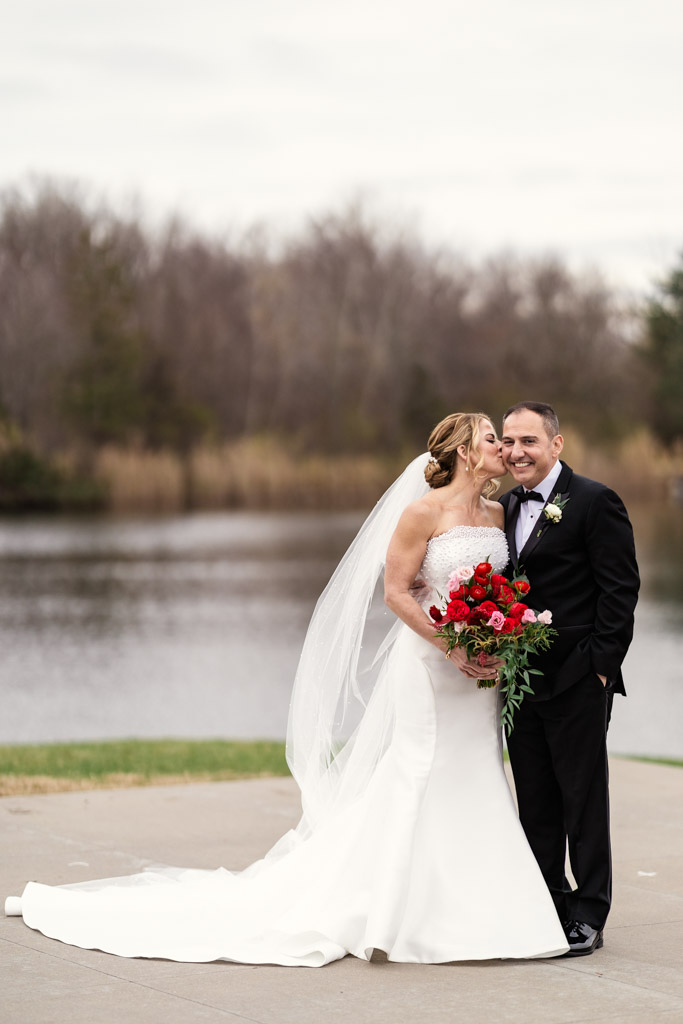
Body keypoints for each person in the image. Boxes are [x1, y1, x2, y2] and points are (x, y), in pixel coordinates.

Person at [6, 413, 568, 964]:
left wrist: (498, 636)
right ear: (466, 451)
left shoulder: (498, 512)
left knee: (478, 769)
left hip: (483, 671)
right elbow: (397, 593)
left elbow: (504, 588)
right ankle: (395, 911)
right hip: (430, 664)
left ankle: (482, 908)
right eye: (493, 438)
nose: (504, 447)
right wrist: (451, 644)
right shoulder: (420, 513)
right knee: (419, 768)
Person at [499, 401, 639, 957]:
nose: (516, 452)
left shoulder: (595, 501)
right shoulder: (503, 506)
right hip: (520, 682)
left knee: (582, 798)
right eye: (508, 441)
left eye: (528, 441)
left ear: (557, 444)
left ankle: (588, 912)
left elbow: (620, 591)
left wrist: (601, 667)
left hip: (580, 677)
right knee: (534, 798)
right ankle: (548, 903)